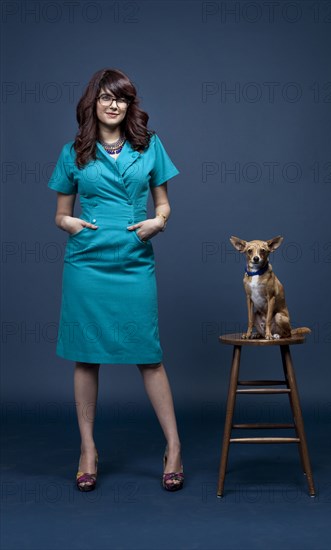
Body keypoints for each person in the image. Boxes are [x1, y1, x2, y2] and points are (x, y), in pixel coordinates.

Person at [47, 68, 183, 492]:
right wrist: (71, 224)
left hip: (133, 258)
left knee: (148, 353)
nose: (113, 104)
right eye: (106, 97)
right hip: (87, 261)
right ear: (93, 103)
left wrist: (156, 224)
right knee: (86, 355)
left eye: (121, 98)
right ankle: (87, 449)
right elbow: (59, 213)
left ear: (129, 105)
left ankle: (174, 446)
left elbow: (164, 205)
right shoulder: (73, 152)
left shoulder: (150, 145)